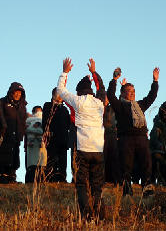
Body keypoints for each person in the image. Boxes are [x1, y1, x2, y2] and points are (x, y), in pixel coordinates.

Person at [57, 57, 106, 220]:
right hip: (98, 149)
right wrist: (93, 72)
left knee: (81, 184)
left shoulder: (77, 101)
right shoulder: (100, 102)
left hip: (82, 148)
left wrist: (65, 72)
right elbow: (102, 88)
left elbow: (60, 91)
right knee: (97, 185)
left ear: (78, 92)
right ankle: (100, 215)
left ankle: (87, 216)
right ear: (91, 90)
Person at [107, 66, 160, 196]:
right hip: (126, 139)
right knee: (126, 165)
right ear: (123, 93)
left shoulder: (140, 105)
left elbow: (151, 96)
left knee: (146, 163)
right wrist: (114, 79)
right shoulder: (119, 105)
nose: (132, 93)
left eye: (133, 91)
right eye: (129, 91)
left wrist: (155, 81)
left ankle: (147, 189)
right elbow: (110, 95)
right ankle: (127, 190)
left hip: (142, 138)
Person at [0, 82, 27, 184]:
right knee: (3, 157)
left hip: (16, 136)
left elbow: (23, 122)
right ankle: (1, 177)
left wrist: (21, 134)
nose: (18, 94)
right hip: (5, 135)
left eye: (20, 92)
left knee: (14, 158)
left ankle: (12, 178)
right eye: (16, 92)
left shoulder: (22, 106)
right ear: (11, 93)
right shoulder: (2, 102)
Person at [42, 87, 70, 182]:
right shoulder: (48, 105)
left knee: (63, 160)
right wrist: (46, 131)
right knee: (52, 158)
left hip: (63, 138)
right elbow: (45, 120)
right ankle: (50, 178)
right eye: (59, 94)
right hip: (53, 137)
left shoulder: (65, 109)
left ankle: (62, 178)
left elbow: (68, 123)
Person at [25, 106, 47, 183]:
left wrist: (32, 130)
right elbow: (26, 129)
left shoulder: (43, 121)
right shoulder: (30, 120)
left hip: (41, 148)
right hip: (31, 149)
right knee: (32, 168)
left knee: (41, 166)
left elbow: (43, 131)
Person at [103, 97, 120, 185]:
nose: (106, 99)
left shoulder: (112, 108)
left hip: (113, 133)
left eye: (107, 98)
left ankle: (117, 179)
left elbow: (119, 104)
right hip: (102, 133)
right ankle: (101, 178)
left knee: (115, 157)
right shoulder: (99, 108)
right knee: (103, 156)